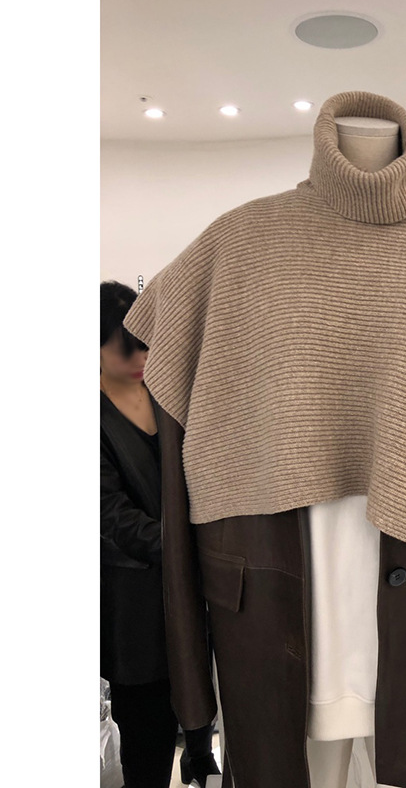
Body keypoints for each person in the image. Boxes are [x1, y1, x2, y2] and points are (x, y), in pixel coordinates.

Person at [100, 280, 220, 788]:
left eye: (144, 343)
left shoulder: (168, 399)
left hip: (192, 591)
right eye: (125, 346)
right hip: (135, 605)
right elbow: (110, 514)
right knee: (146, 739)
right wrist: (183, 548)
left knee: (197, 707)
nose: (140, 356)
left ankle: (198, 757)